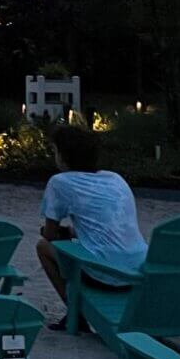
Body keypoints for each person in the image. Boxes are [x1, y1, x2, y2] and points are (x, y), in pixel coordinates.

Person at [35, 125, 147, 325]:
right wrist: (73, 232)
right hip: (138, 269)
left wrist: (57, 233)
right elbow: (112, 226)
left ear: (63, 156)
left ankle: (76, 314)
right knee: (73, 242)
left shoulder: (60, 182)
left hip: (104, 274)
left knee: (42, 247)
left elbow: (49, 236)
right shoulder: (115, 178)